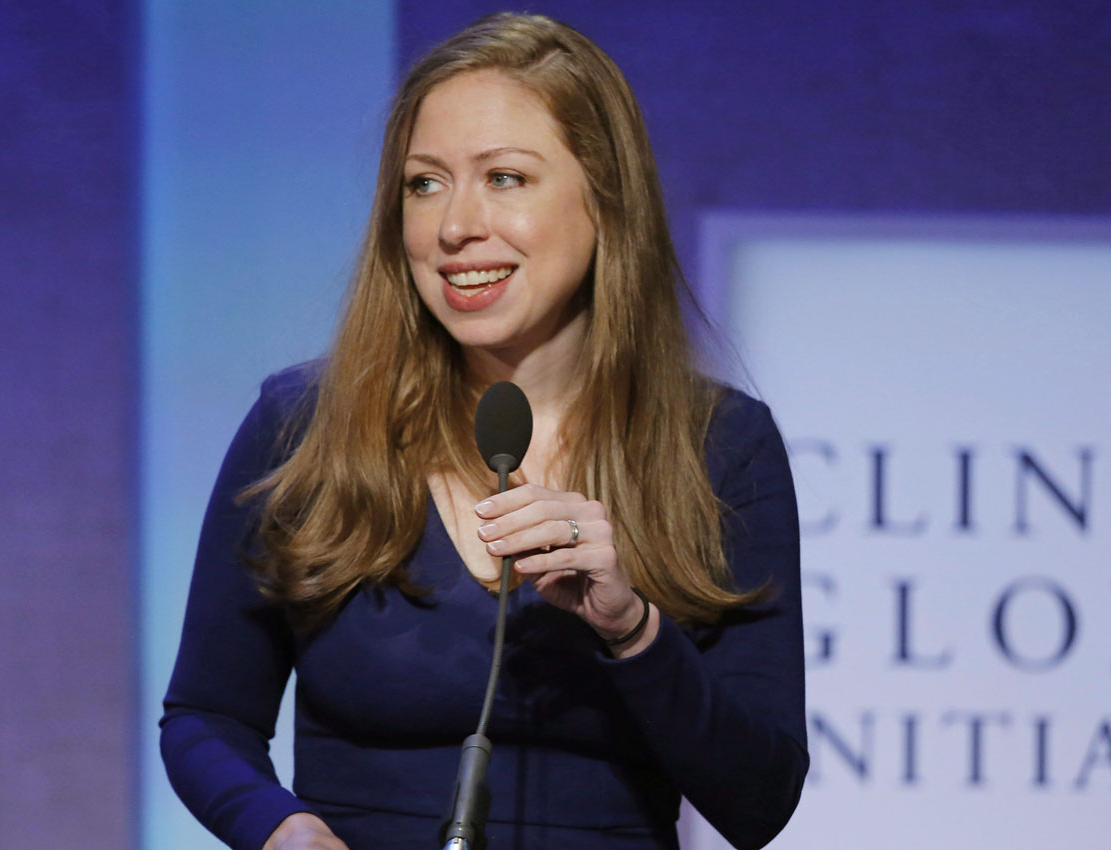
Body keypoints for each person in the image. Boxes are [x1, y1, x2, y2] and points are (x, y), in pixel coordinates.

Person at [160, 12, 807, 850]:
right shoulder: (304, 427)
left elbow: (759, 802)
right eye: (424, 183)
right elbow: (206, 718)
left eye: (504, 178)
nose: (455, 225)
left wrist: (632, 628)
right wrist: (279, 827)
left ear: (606, 198)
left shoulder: (721, 446)